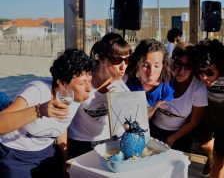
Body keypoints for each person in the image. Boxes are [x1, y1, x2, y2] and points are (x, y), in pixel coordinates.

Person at [0, 49, 93, 178]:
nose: (89, 89)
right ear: (62, 83)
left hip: (46, 151)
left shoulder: (76, 96)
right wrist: (39, 110)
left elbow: (61, 127)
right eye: (82, 83)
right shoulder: (37, 91)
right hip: (16, 154)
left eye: (90, 81)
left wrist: (64, 162)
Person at [67, 33, 131, 159]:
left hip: (109, 141)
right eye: (117, 60)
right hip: (80, 142)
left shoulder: (123, 81)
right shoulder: (84, 80)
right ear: (102, 59)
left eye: (127, 60)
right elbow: (63, 120)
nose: (123, 66)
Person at [193, 39, 224, 177]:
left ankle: (214, 158)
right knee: (201, 142)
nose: (203, 77)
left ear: (221, 65)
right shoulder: (197, 76)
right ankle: (210, 156)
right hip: (206, 118)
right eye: (200, 72)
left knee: (220, 160)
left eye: (209, 72)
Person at [149, 43, 208, 152]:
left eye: (188, 66)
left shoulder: (198, 89)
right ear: (172, 61)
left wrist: (172, 138)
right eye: (178, 64)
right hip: (154, 129)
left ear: (193, 68)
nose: (181, 71)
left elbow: (194, 122)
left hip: (180, 134)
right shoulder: (162, 78)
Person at [126, 39, 174, 119]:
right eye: (145, 65)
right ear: (137, 64)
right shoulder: (130, 83)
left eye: (157, 66)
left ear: (163, 66)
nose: (151, 72)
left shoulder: (167, 87)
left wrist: (154, 108)